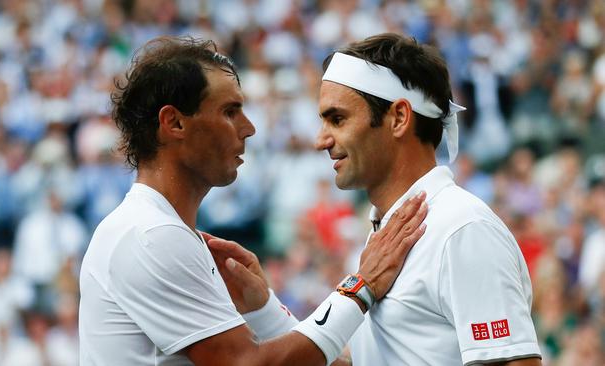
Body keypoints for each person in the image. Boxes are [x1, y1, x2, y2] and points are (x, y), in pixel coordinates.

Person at [78, 36, 428, 366]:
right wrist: (360, 286)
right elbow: (245, 363)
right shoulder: (151, 235)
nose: (249, 128)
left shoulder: (160, 231)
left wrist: (263, 309)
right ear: (174, 123)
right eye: (230, 112)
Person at [210, 33, 543, 365]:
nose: (320, 140)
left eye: (337, 119)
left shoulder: (462, 228)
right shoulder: (389, 232)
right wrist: (265, 309)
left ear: (398, 118)